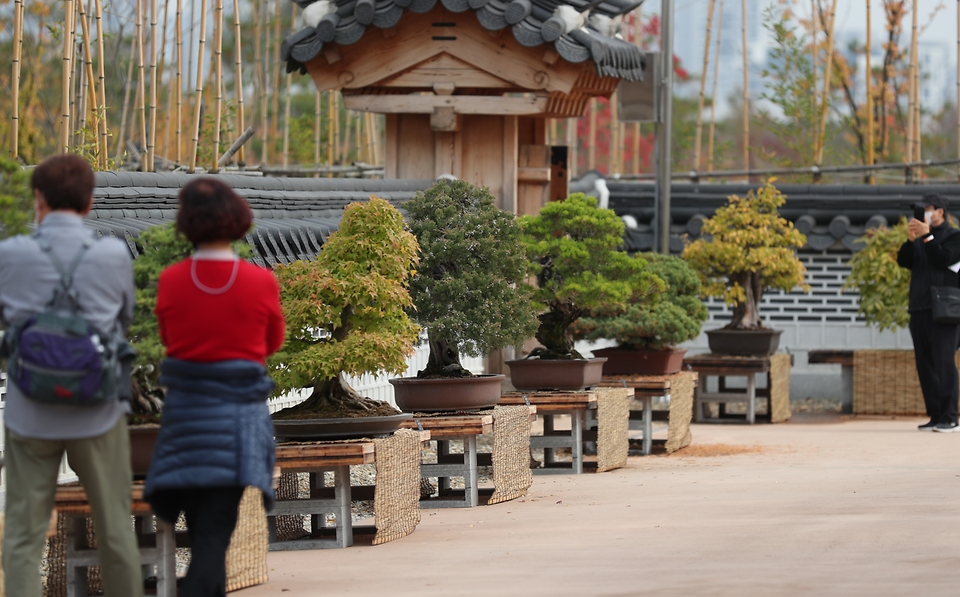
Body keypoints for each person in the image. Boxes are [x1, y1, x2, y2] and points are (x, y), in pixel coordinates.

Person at [0, 154, 144, 597]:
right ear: (89, 203)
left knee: (23, 535)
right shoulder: (112, 253)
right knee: (116, 530)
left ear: (37, 198)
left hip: (30, 409)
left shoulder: (11, 253)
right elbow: (123, 323)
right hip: (96, 409)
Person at [145, 177, 284, 597]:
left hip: (186, 416)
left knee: (204, 527)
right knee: (215, 532)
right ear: (239, 221)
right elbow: (271, 343)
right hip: (239, 419)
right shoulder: (261, 281)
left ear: (186, 223)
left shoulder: (170, 280)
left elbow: (169, 339)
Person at [897, 192, 960, 433]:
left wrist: (928, 237)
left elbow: (944, 259)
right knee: (925, 365)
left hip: (945, 310)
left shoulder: (955, 236)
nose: (923, 214)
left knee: (944, 363)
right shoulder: (921, 239)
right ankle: (935, 415)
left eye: (927, 209)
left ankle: (950, 417)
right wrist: (911, 240)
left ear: (940, 212)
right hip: (919, 308)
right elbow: (904, 262)